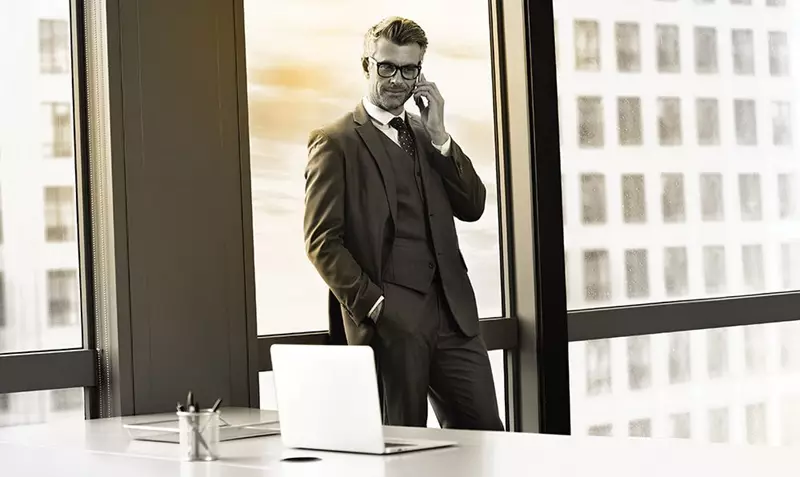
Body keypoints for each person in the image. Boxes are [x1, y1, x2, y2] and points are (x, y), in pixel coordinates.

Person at [303, 16, 503, 431]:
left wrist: (441, 137)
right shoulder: (336, 141)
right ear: (366, 65)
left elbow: (474, 205)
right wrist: (374, 306)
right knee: (403, 452)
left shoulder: (425, 132)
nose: (397, 80)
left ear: (420, 73)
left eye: (409, 70)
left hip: (454, 317)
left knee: (486, 438)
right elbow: (322, 241)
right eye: (387, 67)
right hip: (391, 324)